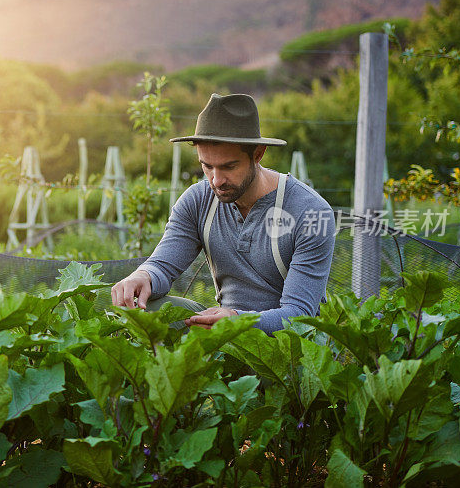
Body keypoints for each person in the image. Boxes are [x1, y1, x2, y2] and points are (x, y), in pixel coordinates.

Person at [110, 93, 335, 334]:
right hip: (223, 329)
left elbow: (299, 314)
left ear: (258, 154)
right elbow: (162, 266)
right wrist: (143, 277)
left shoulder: (311, 211)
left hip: (289, 347)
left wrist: (237, 320)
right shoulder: (197, 200)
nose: (216, 180)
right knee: (149, 310)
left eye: (229, 166)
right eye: (207, 166)